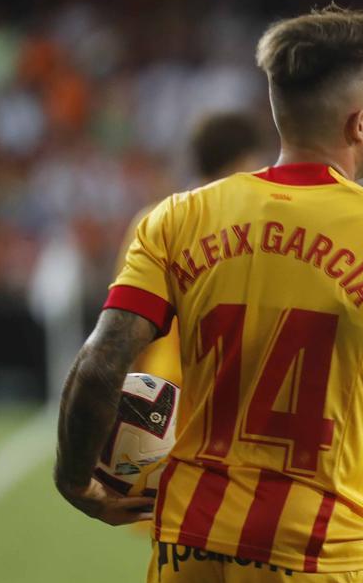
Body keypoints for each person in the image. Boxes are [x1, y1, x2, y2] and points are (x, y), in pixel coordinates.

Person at [54, 4, 363, 583]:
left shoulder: (179, 217)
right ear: (357, 122)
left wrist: (74, 479)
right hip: (317, 557)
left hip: (187, 549)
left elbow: (100, 362)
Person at [114, 111, 266, 393]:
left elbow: (127, 328)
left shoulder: (154, 221)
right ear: (243, 162)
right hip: (223, 395)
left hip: (161, 391)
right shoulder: (258, 231)